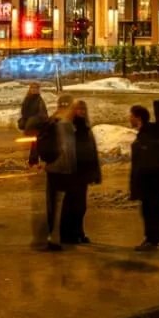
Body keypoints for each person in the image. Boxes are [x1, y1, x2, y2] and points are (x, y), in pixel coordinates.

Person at [127, 101, 159, 251]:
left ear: (138, 117)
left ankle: (152, 239)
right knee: (155, 208)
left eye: (131, 116)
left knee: (150, 210)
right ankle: (156, 238)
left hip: (150, 180)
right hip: (150, 180)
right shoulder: (146, 132)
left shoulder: (150, 132)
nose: (129, 118)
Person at [34, 100, 76, 250]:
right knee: (57, 204)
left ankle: (56, 237)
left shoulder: (56, 122)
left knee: (57, 204)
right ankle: (54, 238)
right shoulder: (60, 125)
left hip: (59, 169)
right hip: (59, 170)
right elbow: (65, 150)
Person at [60, 98, 101, 246]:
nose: (81, 112)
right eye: (79, 109)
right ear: (73, 110)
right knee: (71, 204)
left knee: (81, 206)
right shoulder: (69, 127)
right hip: (72, 172)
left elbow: (92, 150)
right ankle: (67, 234)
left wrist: (95, 172)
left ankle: (78, 231)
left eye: (83, 109)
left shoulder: (86, 128)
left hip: (83, 172)